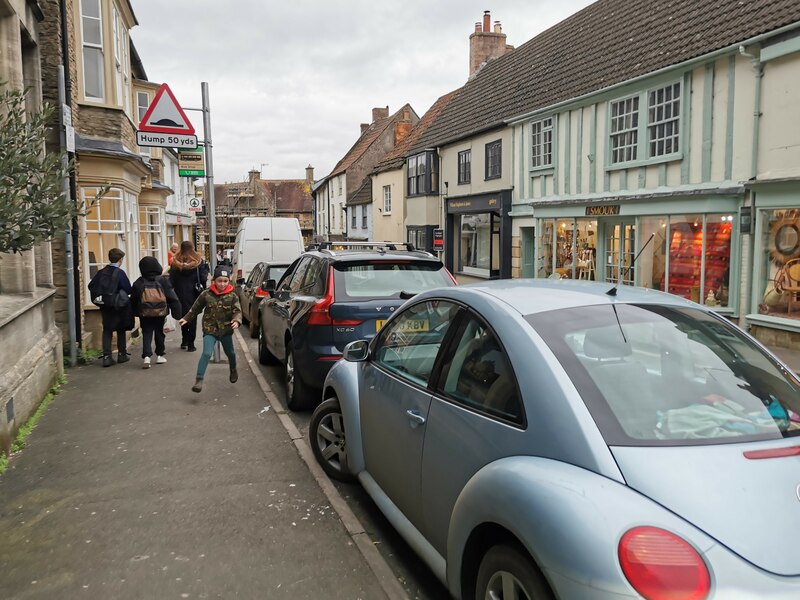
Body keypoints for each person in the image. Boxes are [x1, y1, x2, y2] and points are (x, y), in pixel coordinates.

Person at [179, 265, 242, 393]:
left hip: (225, 330)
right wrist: (186, 318)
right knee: (207, 353)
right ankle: (199, 380)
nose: (222, 284)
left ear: (228, 281)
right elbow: (195, 308)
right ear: (214, 280)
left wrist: (236, 320)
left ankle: (233, 369)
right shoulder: (206, 294)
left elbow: (237, 311)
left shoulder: (232, 295)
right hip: (210, 329)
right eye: (220, 281)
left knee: (230, 353)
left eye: (225, 281)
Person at [131, 256, 182, 369]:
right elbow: (172, 297)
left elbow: (134, 299)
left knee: (147, 333)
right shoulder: (162, 280)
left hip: (144, 313)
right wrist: (177, 313)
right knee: (159, 333)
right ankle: (160, 355)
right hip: (160, 312)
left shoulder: (139, 282)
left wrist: (134, 312)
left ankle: (147, 357)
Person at [87, 248, 134, 367]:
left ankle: (107, 357)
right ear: (120, 260)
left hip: (105, 305)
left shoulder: (102, 272)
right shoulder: (120, 273)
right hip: (118, 305)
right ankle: (122, 355)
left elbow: (91, 285)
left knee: (107, 329)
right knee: (121, 329)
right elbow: (128, 289)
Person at [169, 241, 209, 352]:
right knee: (192, 317)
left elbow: (171, 280)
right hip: (194, 293)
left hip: (179, 293)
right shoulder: (198, 262)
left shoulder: (175, 263)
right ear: (192, 248)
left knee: (183, 316)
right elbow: (203, 278)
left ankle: (184, 340)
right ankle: (191, 344)